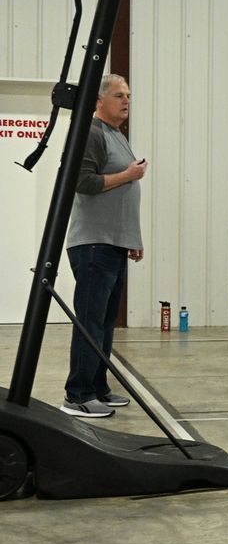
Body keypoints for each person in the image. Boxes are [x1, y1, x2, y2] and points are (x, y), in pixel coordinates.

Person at [62, 74, 145, 418]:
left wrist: (132, 238)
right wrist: (127, 175)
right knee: (91, 322)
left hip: (114, 243)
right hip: (94, 245)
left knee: (105, 323)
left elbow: (122, 197)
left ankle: (97, 388)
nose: (126, 101)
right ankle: (78, 395)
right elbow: (82, 182)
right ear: (99, 101)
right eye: (119, 95)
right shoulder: (92, 133)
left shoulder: (117, 135)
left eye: (128, 95)